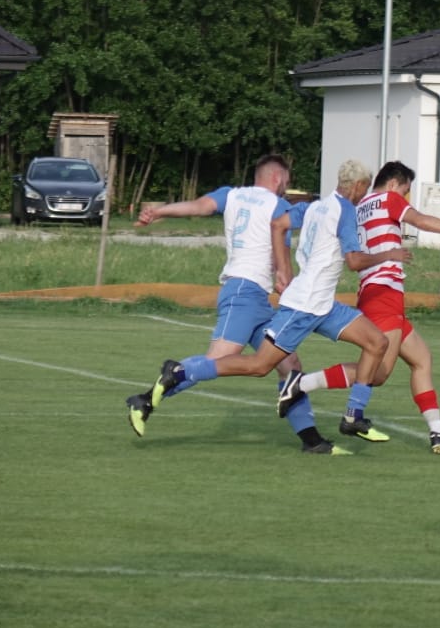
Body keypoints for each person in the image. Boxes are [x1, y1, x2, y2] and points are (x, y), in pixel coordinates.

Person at [139, 159, 409, 452]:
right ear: (357, 186)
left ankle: (351, 417)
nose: (363, 194)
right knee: (258, 366)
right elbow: (354, 261)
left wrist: (283, 268)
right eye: (364, 188)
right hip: (303, 305)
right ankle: (180, 372)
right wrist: (388, 254)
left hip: (322, 303)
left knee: (376, 342)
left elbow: (278, 225)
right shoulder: (344, 210)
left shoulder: (315, 206)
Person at [275, 161, 440, 455]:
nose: (406, 198)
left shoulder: (359, 207)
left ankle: (438, 432)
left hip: (378, 292)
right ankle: (301, 385)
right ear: (393, 184)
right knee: (378, 373)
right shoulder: (387, 199)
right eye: (406, 190)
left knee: (422, 359)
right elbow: (422, 221)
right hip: (384, 292)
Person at [123, 153, 334, 454]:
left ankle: (312, 441)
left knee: (289, 363)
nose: (287, 187)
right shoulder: (278, 206)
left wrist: (159, 211)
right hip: (244, 293)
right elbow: (281, 257)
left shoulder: (231, 195)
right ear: (277, 178)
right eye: (287, 181)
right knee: (218, 359)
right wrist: (285, 276)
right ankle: (149, 395)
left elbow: (197, 207)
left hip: (254, 298)